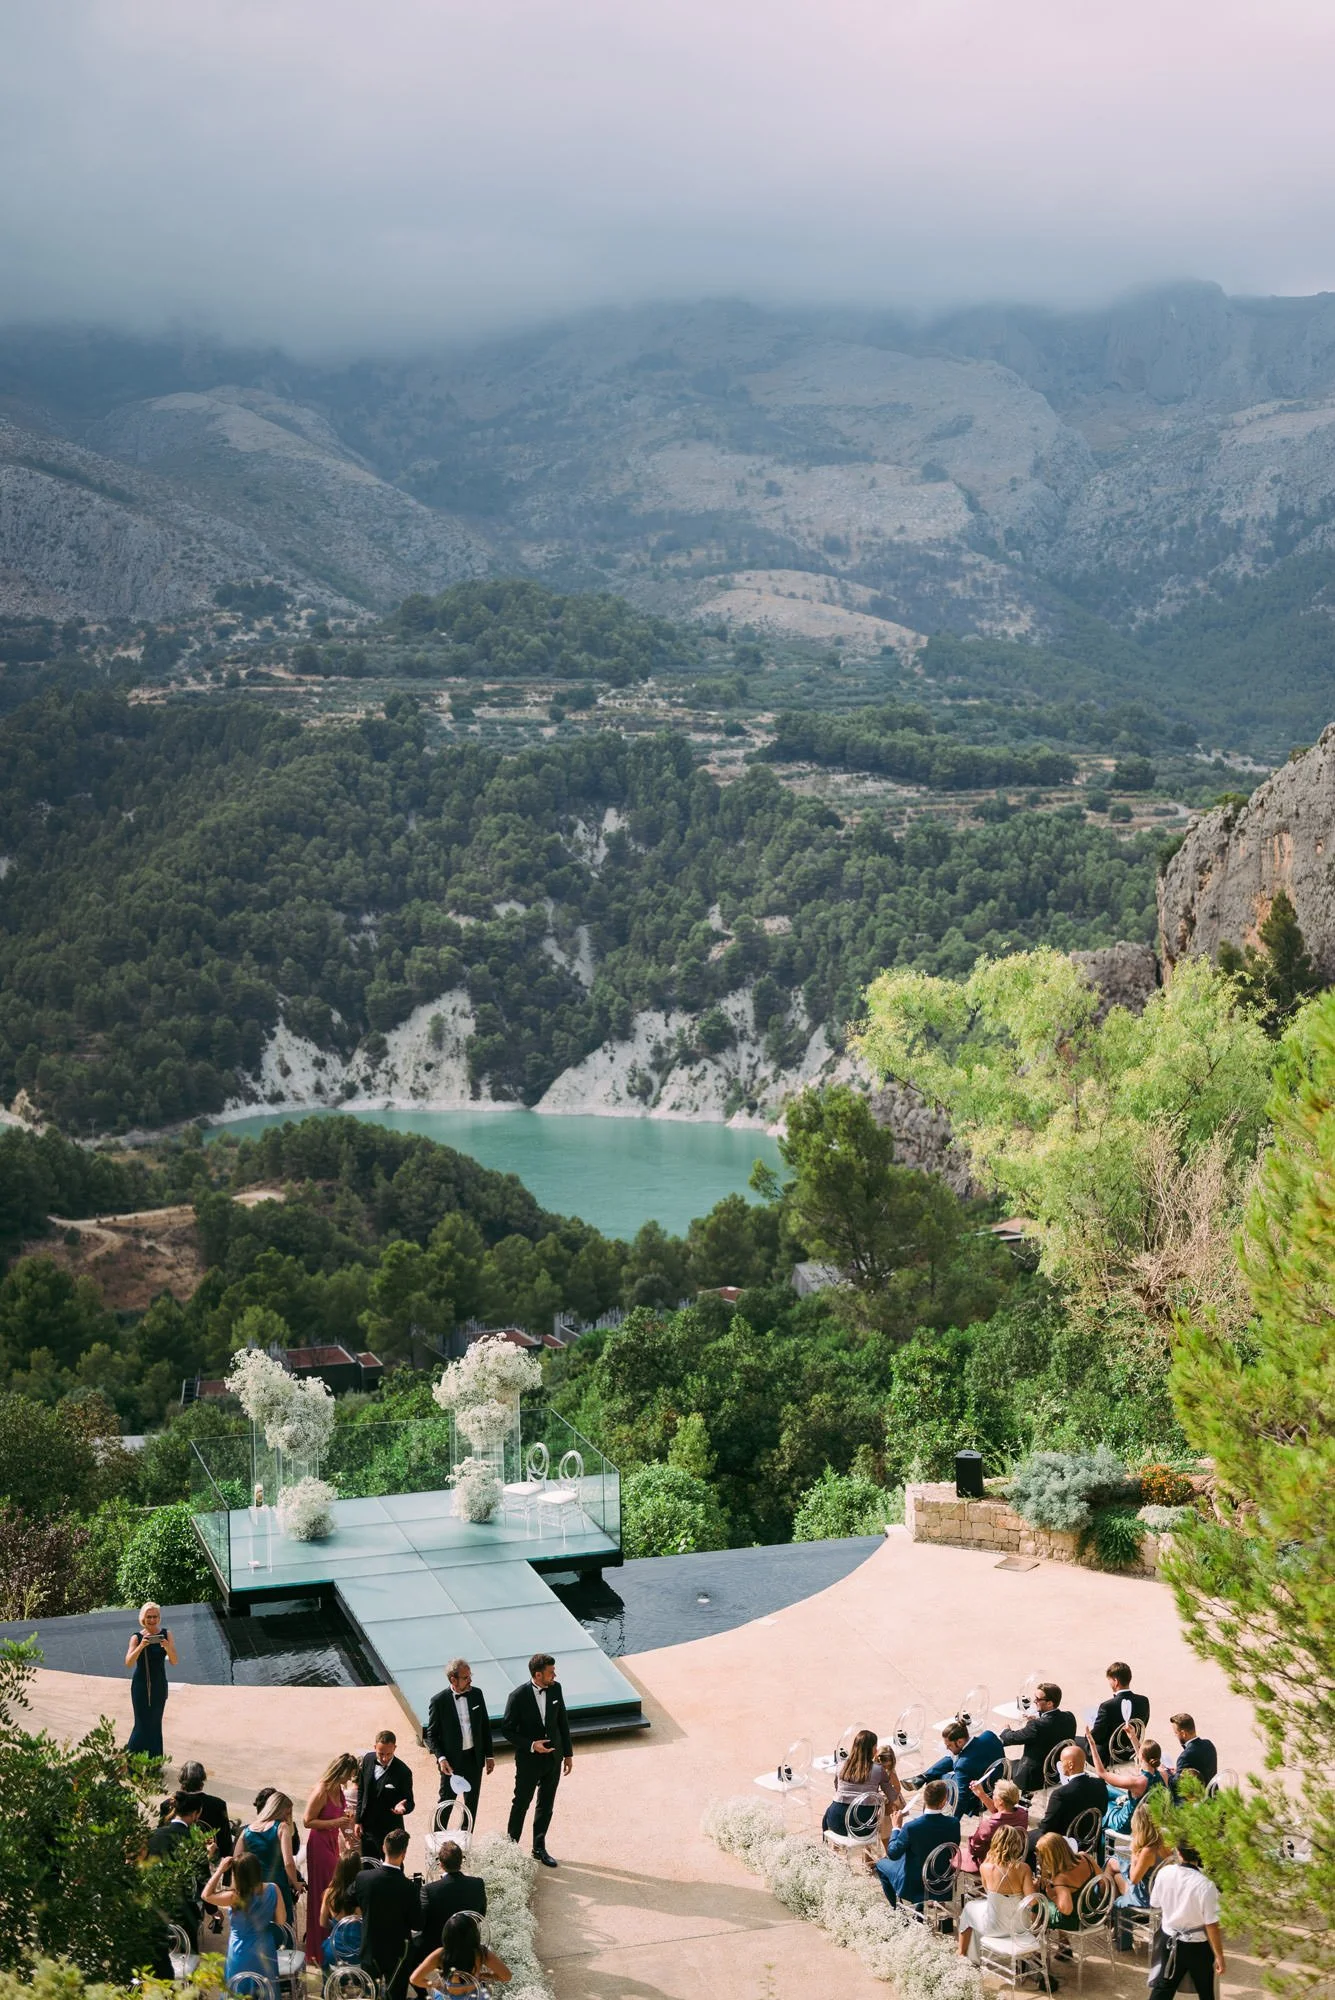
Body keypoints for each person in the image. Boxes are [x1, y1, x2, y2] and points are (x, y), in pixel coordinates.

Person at [503, 1653, 573, 1868]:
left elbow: (562, 1720)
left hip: (554, 1758)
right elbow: (507, 1730)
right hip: (529, 1761)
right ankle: (510, 1849)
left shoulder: (556, 1688)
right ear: (538, 1674)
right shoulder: (517, 1696)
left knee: (546, 1804)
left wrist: (568, 1754)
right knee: (521, 1803)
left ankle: (539, 1847)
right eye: (551, 1672)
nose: (555, 1675)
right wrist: (532, 1745)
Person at [1147, 1841, 1225, 1997]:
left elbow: (1154, 1902)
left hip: (1169, 1939)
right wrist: (1219, 1956)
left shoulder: (1164, 1873)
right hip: (1197, 1947)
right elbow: (1211, 1924)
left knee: (1163, 1989)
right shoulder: (1206, 1884)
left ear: (1178, 1851)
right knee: (1206, 1991)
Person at [304, 1752, 360, 1963]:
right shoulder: (322, 1789)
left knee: (334, 1885)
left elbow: (342, 1819)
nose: (349, 1779)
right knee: (326, 1888)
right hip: (318, 1843)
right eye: (349, 1775)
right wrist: (335, 1824)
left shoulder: (339, 1789)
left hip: (331, 1841)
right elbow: (307, 1821)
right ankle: (320, 1947)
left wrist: (347, 1835)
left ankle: (335, 1939)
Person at [426, 1658, 495, 1828]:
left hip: (474, 1758)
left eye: (470, 1676)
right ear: (453, 1679)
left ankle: (465, 1844)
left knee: (471, 1805)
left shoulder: (477, 1694)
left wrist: (489, 1755)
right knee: (446, 1804)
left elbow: (485, 1726)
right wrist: (441, 1758)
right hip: (451, 1762)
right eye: (466, 1677)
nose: (470, 1680)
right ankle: (438, 1846)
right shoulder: (439, 1701)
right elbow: (431, 1735)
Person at [356, 1825, 421, 2000]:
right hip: (398, 1954)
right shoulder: (410, 1888)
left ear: (384, 1848)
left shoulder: (363, 1878)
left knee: (370, 1995)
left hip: (371, 1948)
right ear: (404, 1853)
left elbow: (348, 1899)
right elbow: (417, 1924)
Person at [873, 1779, 961, 1908]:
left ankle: (897, 1909)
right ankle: (922, 1903)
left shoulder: (911, 1827)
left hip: (914, 1884)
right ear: (944, 1802)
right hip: (941, 1881)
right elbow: (952, 1848)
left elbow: (892, 1854)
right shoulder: (953, 1823)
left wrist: (896, 1828)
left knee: (881, 1864)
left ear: (925, 1800)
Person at [958, 1824, 1036, 1962]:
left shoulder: (985, 1867)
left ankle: (962, 1954)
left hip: (995, 1927)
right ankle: (969, 1956)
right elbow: (1033, 1901)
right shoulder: (1024, 1868)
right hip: (1021, 1926)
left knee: (970, 1909)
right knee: (975, 1910)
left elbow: (988, 1891)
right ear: (1017, 1845)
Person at [202, 1849, 279, 1989]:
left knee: (238, 1990)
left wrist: (220, 1870)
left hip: (240, 1950)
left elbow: (205, 1895)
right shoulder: (274, 1889)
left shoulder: (234, 1897)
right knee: (266, 1990)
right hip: (265, 1948)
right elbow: (281, 1920)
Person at [1104, 1802, 1170, 1952]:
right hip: (1159, 1889)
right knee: (1114, 1868)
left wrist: (1134, 1853)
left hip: (1147, 1895)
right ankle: (1111, 1921)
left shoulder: (1148, 1851)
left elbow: (1134, 1879)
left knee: (1119, 1902)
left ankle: (1121, 1939)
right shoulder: (1164, 1842)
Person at [147, 1792, 207, 1950]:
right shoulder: (193, 1840)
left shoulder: (153, 1835)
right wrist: (213, 1910)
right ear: (195, 1814)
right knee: (187, 1959)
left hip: (155, 1905)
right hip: (183, 1910)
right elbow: (202, 1878)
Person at [236, 1787, 303, 1926]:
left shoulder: (247, 1830)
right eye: (288, 1812)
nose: (288, 1816)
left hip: (254, 1884)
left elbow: (236, 1860)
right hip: (277, 1884)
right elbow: (289, 1863)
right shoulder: (281, 1827)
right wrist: (295, 1883)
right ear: (279, 1810)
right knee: (281, 1924)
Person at [1000, 1682, 1079, 1796]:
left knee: (1002, 1765)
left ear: (1050, 1703)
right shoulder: (1069, 1717)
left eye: (1037, 1699)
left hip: (1033, 1779)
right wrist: (1037, 1719)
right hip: (1057, 1772)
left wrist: (1005, 1731)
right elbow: (1051, 1726)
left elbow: (1013, 1738)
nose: (1034, 1702)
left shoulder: (1036, 1726)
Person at [822, 1728, 900, 1839]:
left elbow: (837, 1789)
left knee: (827, 1813)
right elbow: (892, 1796)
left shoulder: (840, 1766)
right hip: (862, 1826)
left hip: (836, 1822)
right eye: (875, 1747)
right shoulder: (878, 1770)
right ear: (872, 1749)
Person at [410, 1910, 512, 1996]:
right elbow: (506, 1976)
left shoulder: (440, 1954)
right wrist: (485, 1975)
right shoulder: (481, 1953)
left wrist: (435, 1984)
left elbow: (415, 1979)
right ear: (474, 1935)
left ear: (446, 1935)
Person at [906, 1718, 1006, 1803]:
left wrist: (953, 1822)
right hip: (998, 1778)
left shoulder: (962, 1765)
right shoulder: (989, 1735)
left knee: (935, 1781)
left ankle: (926, 1781)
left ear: (960, 1741)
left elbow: (962, 1797)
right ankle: (923, 1777)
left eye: (949, 1745)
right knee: (954, 1755)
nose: (947, 1748)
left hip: (980, 1793)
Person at [125, 1602, 178, 1758]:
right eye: (149, 1617)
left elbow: (174, 1661)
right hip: (141, 1686)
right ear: (143, 1618)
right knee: (141, 1724)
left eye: (155, 1616)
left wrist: (167, 1647)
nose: (152, 1620)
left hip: (159, 1685)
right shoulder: (136, 1637)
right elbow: (128, 1662)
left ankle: (154, 1763)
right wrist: (141, 1646)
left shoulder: (167, 1634)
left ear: (159, 1617)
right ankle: (133, 1762)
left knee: (155, 1724)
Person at [419, 1841, 487, 1958]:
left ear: (441, 1864)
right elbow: (480, 1915)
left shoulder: (429, 1890)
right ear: (461, 1861)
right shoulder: (477, 1884)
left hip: (438, 1949)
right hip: (469, 1947)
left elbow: (421, 1923)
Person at [1033, 1744, 1107, 1850]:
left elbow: (1046, 1828)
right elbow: (1102, 1812)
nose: (1060, 1765)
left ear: (1070, 1765)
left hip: (1064, 1846)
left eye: (1061, 1762)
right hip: (1090, 1841)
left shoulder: (1060, 1794)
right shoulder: (1100, 1784)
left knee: (1024, 1841)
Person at [1034, 1830, 1099, 1949]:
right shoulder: (1086, 1857)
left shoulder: (1061, 1879)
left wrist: (1052, 1896)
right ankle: (1062, 1945)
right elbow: (1103, 1880)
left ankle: (1037, 1952)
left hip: (1078, 1921)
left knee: (1037, 1906)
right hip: (1095, 1913)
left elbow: (1066, 1909)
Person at [357, 1729, 416, 1860]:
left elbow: (410, 1802)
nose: (384, 1758)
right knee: (368, 1866)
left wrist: (403, 1808)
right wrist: (358, 1820)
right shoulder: (367, 1759)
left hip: (390, 1830)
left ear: (395, 1748)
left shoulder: (403, 1772)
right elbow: (361, 1791)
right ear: (374, 1747)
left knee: (394, 1868)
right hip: (368, 1828)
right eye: (381, 1754)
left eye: (389, 1754)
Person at [1089, 1734, 1166, 1834]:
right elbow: (1145, 1757)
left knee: (1098, 1801)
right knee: (1104, 1788)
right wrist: (1133, 1737)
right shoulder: (1163, 1774)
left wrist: (1092, 1745)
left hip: (1127, 1823)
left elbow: (1101, 1773)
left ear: (1141, 1756)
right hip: (1146, 1817)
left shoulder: (1136, 1782)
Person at [1088, 1661, 1150, 1764]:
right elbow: (1142, 1725)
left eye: (1110, 1680)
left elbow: (1097, 1736)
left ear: (1116, 1681)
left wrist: (1088, 1735)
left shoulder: (1107, 1706)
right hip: (1132, 1751)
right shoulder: (1143, 1701)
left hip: (1110, 1756)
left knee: (1076, 1743)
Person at [964, 1774, 1028, 1870]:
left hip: (992, 1864)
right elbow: (1001, 1813)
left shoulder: (989, 1825)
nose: (992, 1797)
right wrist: (982, 1795)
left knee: (956, 1856)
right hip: (1014, 1858)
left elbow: (974, 1849)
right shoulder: (1023, 1814)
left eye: (993, 1795)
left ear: (1001, 1801)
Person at [178, 1760, 234, 1858]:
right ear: (202, 1783)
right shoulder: (218, 1805)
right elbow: (225, 1842)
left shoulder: (168, 1804)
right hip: (210, 1861)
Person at [320, 1850, 365, 1971]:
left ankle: (330, 1987)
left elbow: (322, 1923)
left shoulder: (330, 1893)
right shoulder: (363, 1894)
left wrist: (337, 1925)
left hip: (336, 1952)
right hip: (359, 1953)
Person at [1166, 1714, 1218, 1793]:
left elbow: (1175, 1785)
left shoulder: (1185, 1757)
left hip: (1198, 1798)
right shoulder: (1209, 1744)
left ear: (1183, 1734)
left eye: (1176, 1733)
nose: (1175, 1736)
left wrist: (1166, 1774)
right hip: (1213, 1793)